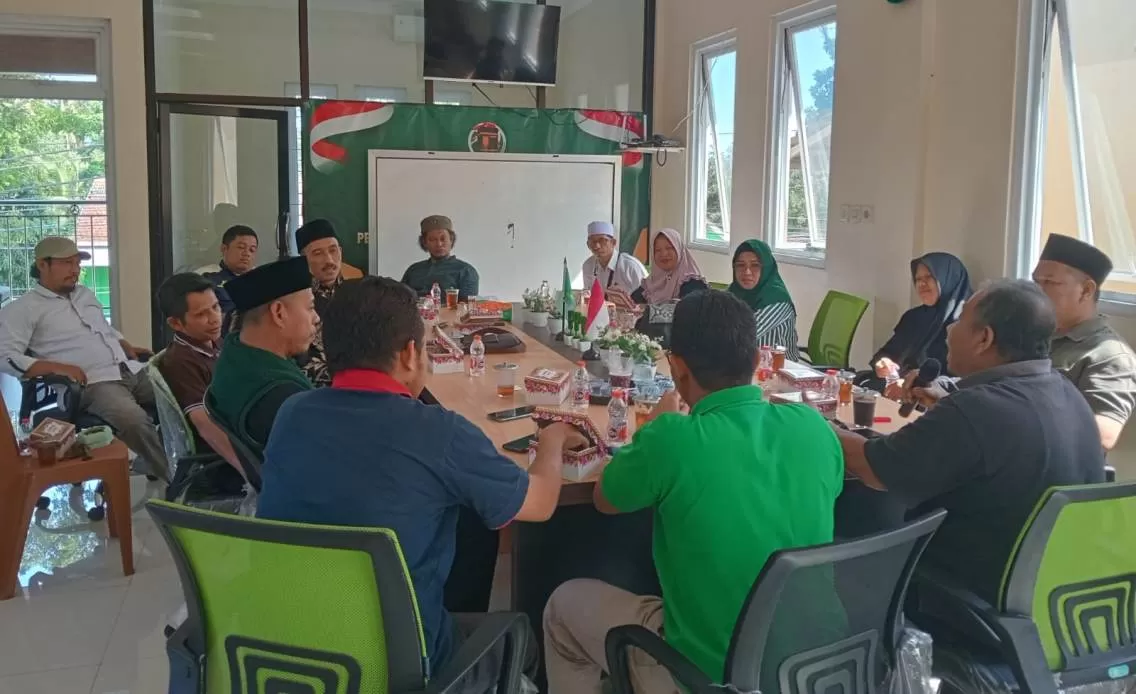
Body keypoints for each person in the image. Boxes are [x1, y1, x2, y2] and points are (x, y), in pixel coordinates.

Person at [257, 276, 584, 690]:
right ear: (410, 353)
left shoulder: (292, 413)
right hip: (403, 661)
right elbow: (539, 503)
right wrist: (552, 440)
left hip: (290, 648)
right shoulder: (438, 433)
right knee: (522, 639)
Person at [543, 290, 844, 692]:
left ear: (677, 368)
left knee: (562, 609)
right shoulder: (813, 427)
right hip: (818, 671)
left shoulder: (672, 437)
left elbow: (606, 499)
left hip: (708, 679)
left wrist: (653, 426)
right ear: (757, 360)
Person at [835, 280, 1105, 605]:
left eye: (960, 320)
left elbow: (874, 468)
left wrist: (813, 423)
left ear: (984, 338)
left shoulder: (974, 410)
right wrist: (948, 406)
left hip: (960, 592)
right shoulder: (1068, 393)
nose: (949, 330)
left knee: (857, 516)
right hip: (1046, 592)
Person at [0, 237, 169, 480]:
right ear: (42, 265)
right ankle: (177, 479)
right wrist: (56, 367)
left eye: (77, 263)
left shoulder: (84, 294)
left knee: (181, 399)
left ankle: (158, 460)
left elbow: (103, 329)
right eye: (67, 263)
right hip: (94, 383)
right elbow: (5, 355)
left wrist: (124, 343)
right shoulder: (23, 308)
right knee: (134, 421)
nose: (75, 270)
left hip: (128, 369)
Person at [1033, 234, 1136, 451]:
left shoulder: (1109, 355)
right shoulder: (1032, 333)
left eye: (1049, 282)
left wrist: (1016, 418)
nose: (1037, 291)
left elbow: (1103, 436)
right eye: (1036, 282)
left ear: (1086, 290)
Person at [209, 256, 319, 454]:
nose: (316, 318)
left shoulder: (236, 350)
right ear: (279, 313)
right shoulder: (280, 398)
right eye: (310, 308)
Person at [155, 273, 245, 492]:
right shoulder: (180, 362)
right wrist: (250, 471)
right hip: (222, 460)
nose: (215, 318)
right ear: (176, 323)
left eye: (215, 307)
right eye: (202, 314)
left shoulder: (213, 342)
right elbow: (205, 425)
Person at [865, 252, 971, 392]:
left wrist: (912, 386)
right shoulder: (913, 317)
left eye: (929, 277)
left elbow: (963, 381)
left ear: (949, 279)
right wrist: (883, 363)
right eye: (918, 279)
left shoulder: (966, 325)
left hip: (934, 398)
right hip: (893, 390)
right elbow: (887, 353)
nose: (921, 284)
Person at [294, 219, 362, 387]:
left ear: (341, 251)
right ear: (303, 259)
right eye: (318, 253)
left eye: (333, 250)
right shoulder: (295, 297)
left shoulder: (358, 288)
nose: (329, 260)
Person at [627, 228, 709, 345]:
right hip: (649, 344)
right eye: (658, 250)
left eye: (669, 248)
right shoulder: (650, 283)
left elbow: (687, 316)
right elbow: (632, 303)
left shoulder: (693, 283)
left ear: (679, 249)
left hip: (683, 346)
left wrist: (646, 311)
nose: (664, 254)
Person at [727, 239, 800, 361]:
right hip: (742, 362)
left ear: (766, 268)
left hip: (779, 368)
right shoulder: (733, 292)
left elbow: (744, 336)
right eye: (740, 265)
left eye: (755, 265)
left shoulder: (776, 300)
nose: (747, 272)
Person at [401, 215, 480, 301]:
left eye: (443, 239)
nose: (439, 244)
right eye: (432, 240)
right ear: (424, 243)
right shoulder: (413, 270)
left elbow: (468, 306)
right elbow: (399, 298)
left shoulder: (466, 271)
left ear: (451, 240)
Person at [203, 224, 258, 336]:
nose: (247, 253)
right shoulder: (206, 277)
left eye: (252, 250)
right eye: (241, 247)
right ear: (224, 249)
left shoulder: (261, 278)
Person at [581, 221, 646, 299]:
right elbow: (589, 294)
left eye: (602, 241)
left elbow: (648, 296)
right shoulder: (588, 265)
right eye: (592, 242)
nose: (597, 246)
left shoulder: (631, 266)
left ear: (613, 242)